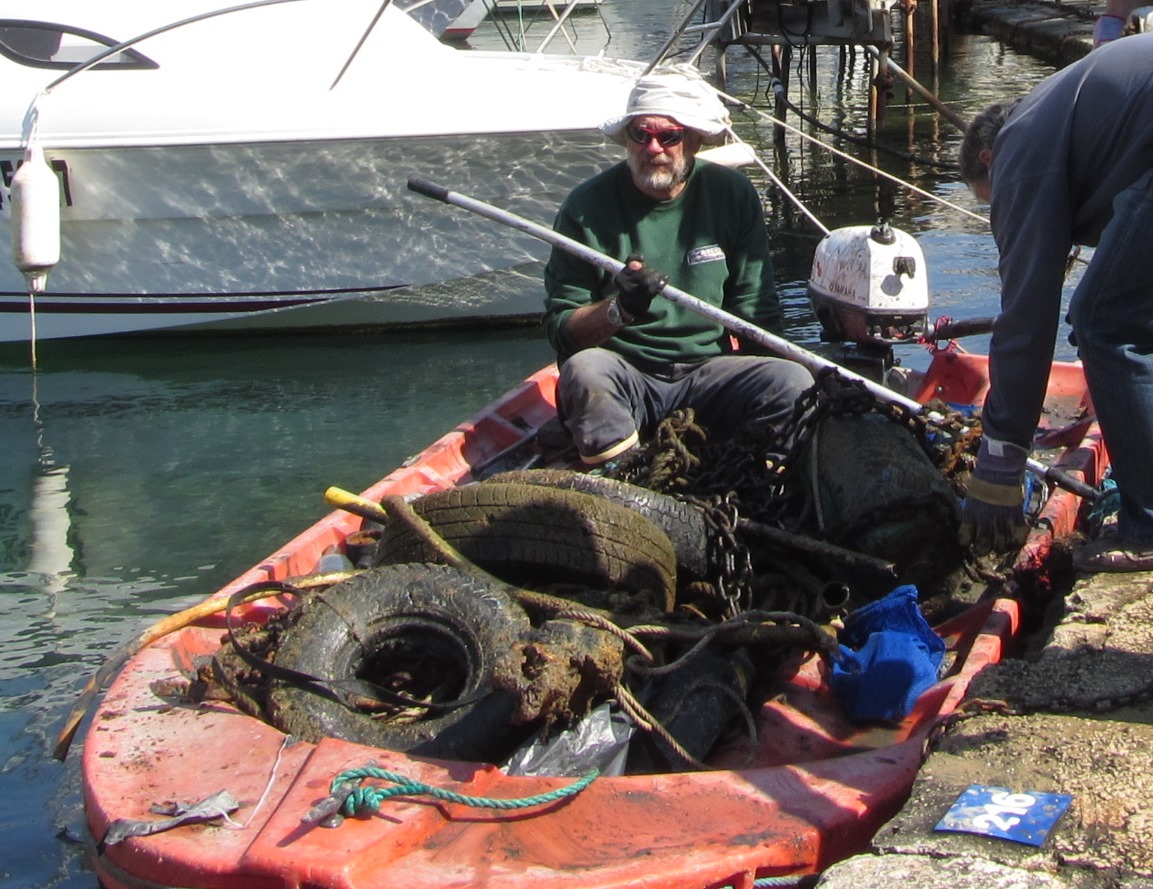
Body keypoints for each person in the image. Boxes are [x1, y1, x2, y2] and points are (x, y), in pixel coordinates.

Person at [542, 71, 813, 467]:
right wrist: (620, 309)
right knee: (585, 372)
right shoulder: (585, 207)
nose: (653, 148)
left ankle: (760, 483)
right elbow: (561, 330)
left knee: (792, 382)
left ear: (695, 140)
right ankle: (626, 481)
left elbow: (758, 312)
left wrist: (792, 381)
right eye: (641, 134)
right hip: (626, 374)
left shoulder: (733, 195)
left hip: (707, 374)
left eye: (668, 136)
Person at [957, 34, 1153, 571]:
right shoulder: (1059, 112)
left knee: (1105, 325)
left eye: (993, 205)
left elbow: (1026, 316)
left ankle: (1150, 526)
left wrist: (1000, 457)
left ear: (988, 159)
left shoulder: (1020, 150)